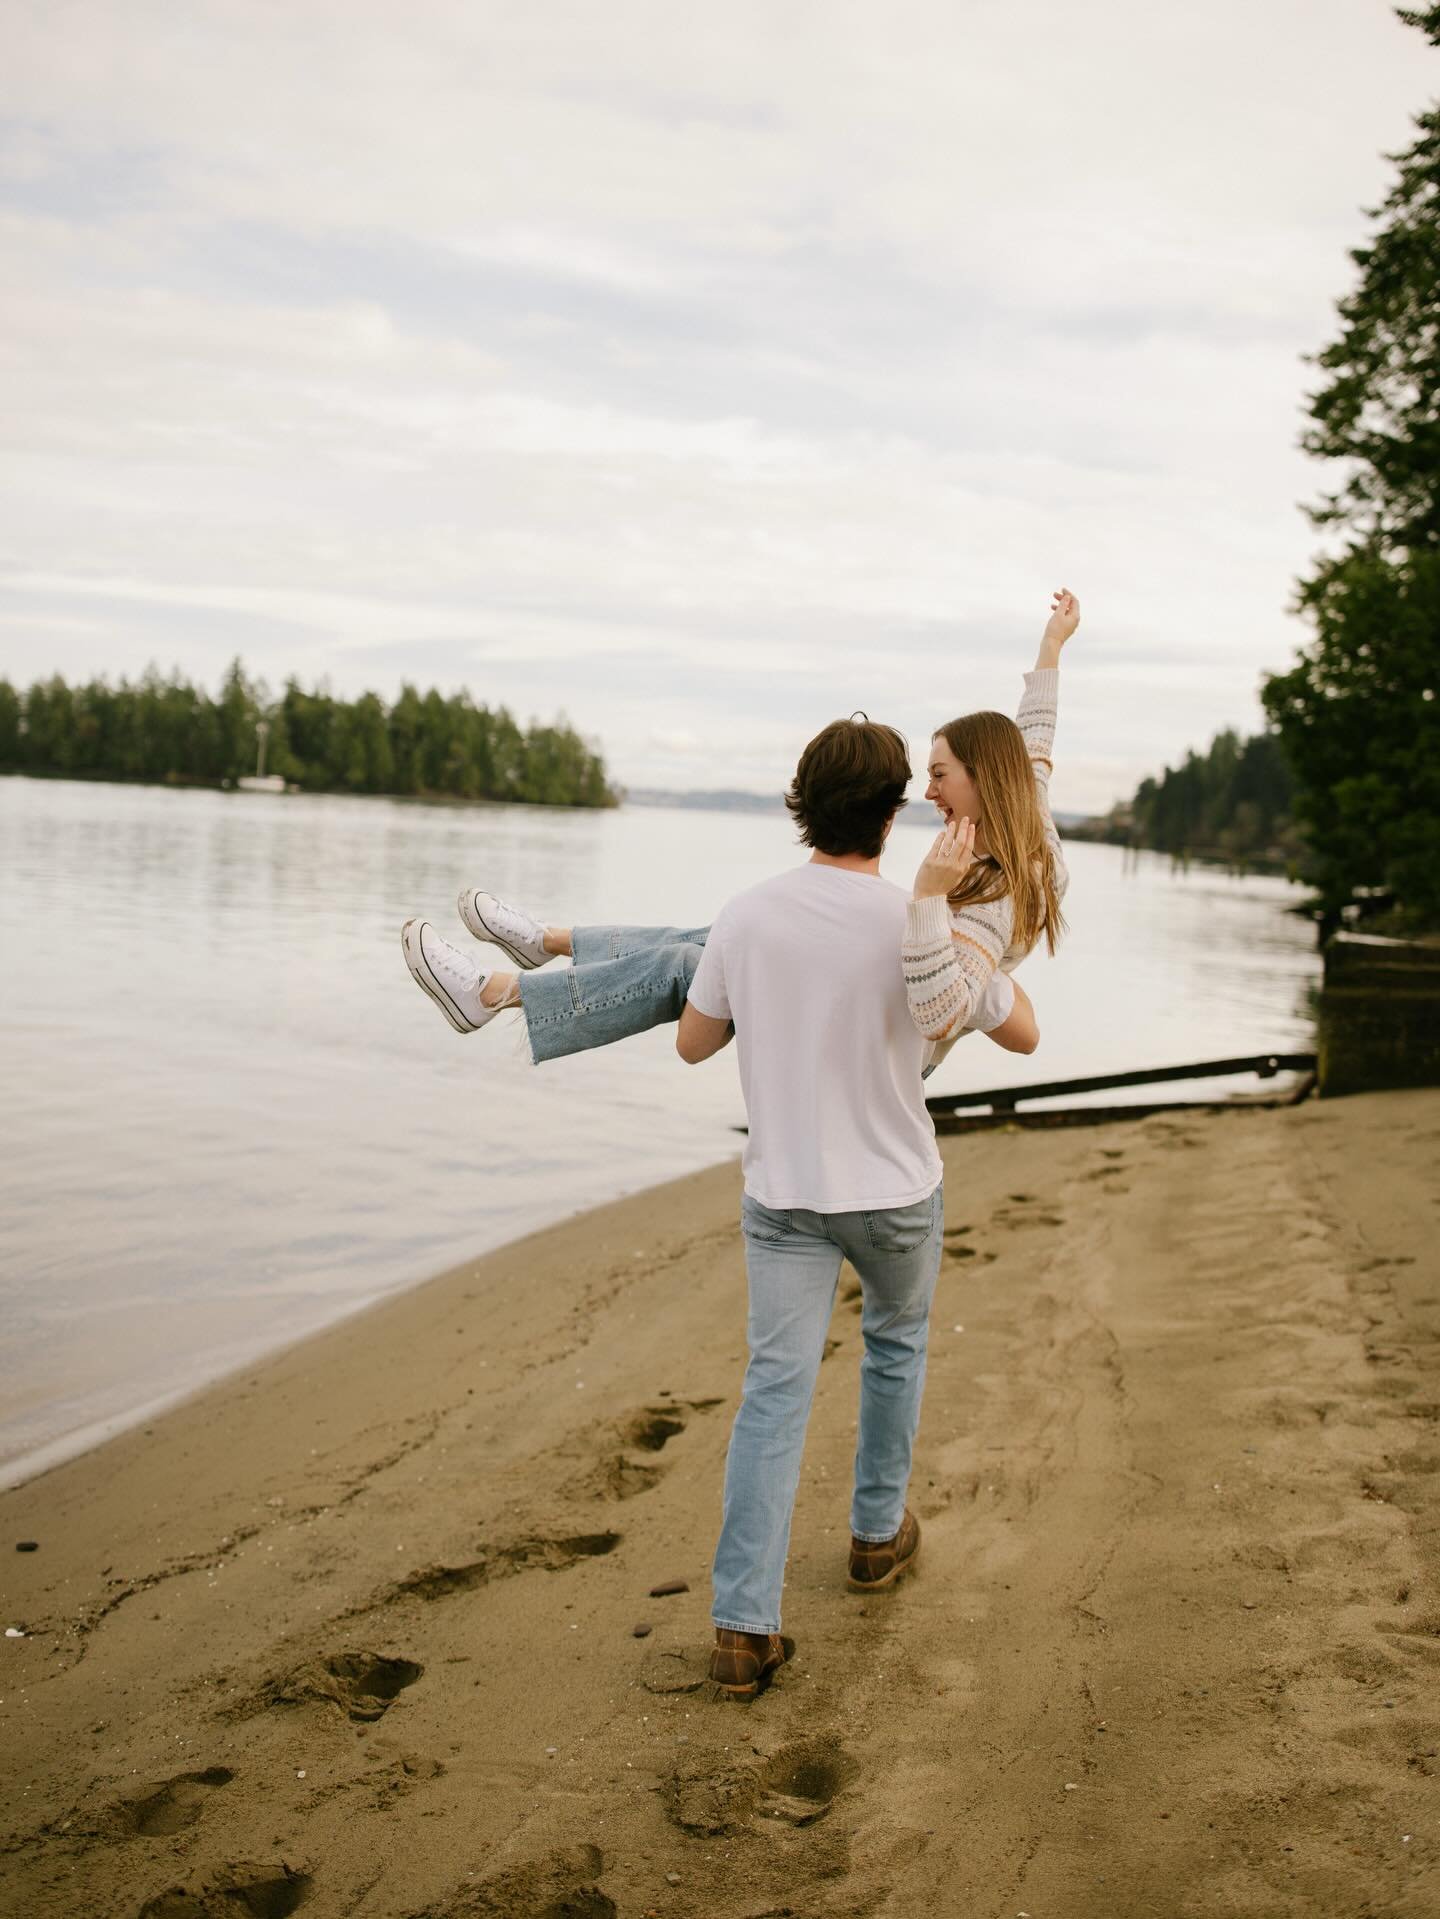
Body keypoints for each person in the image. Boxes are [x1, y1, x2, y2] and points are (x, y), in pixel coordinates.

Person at [399, 589, 1077, 1077]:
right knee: (708, 937)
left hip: (883, 1042)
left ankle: (494, 994)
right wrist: (1051, 646)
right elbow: (1036, 732)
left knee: (689, 963)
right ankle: (544, 941)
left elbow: (938, 1012)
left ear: (986, 776)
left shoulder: (990, 899)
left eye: (939, 775)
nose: (928, 793)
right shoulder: (1027, 814)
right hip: (887, 979)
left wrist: (930, 899)